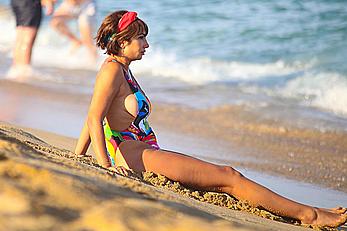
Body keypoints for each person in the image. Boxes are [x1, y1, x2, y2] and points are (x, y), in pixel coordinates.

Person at [74, 10, 347, 228]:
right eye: (141, 38)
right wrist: (104, 165)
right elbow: (94, 117)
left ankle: (307, 210)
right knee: (227, 176)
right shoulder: (112, 70)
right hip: (133, 153)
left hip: (141, 150)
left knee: (225, 179)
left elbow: (93, 114)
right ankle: (309, 215)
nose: (146, 44)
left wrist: (77, 156)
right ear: (123, 42)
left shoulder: (121, 69)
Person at [9, 0, 56, 79]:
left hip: (17, 2)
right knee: (27, 41)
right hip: (30, 4)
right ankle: (23, 73)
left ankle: (16, 70)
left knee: (20, 39)